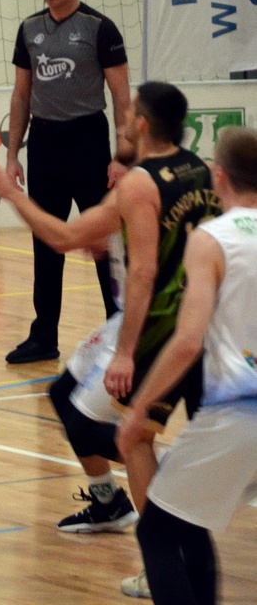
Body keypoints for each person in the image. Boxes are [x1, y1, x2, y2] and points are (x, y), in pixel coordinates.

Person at [0, 82, 218, 596]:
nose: (122, 117)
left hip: (156, 327)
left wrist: (10, 192)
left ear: (143, 124)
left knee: (125, 435)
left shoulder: (138, 185)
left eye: (129, 112)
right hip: (199, 321)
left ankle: (163, 551)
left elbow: (74, 242)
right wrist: (114, 236)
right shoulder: (198, 168)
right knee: (66, 397)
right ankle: (121, 502)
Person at [117, 126, 257, 605]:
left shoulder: (213, 239)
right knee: (189, 523)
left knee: (157, 534)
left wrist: (139, 410)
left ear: (219, 177)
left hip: (238, 412)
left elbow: (187, 342)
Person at [3, 0, 131, 364]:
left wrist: (122, 156)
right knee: (46, 239)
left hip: (88, 141)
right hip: (44, 143)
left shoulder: (100, 28)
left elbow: (122, 98)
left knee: (104, 240)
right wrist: (13, 155)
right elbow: (21, 95)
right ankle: (44, 336)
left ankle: (121, 330)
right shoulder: (29, 29)